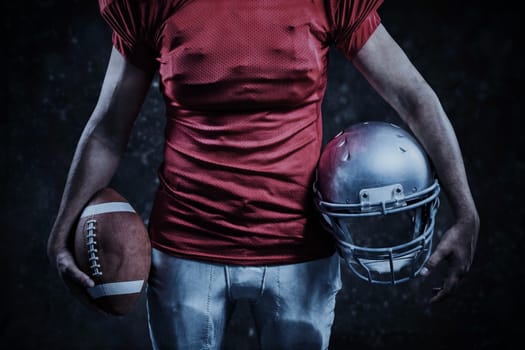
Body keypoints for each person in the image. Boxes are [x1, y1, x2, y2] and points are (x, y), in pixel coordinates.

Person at [47, 0, 480, 348]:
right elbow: (107, 130)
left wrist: (465, 209)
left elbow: (413, 96)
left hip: (300, 251)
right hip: (187, 247)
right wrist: (60, 233)